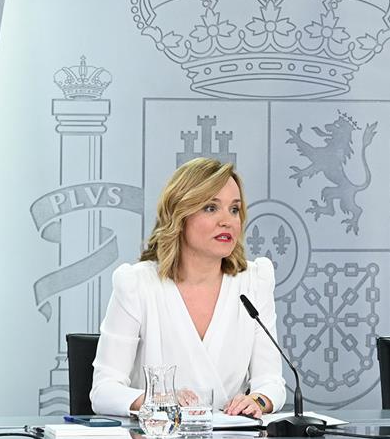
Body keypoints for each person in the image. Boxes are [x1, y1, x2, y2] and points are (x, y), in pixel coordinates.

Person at [89, 158, 287, 417]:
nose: (227, 221)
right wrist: (155, 399)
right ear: (179, 215)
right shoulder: (137, 285)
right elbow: (103, 391)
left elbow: (271, 382)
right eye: (210, 208)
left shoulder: (254, 281)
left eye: (234, 209)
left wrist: (259, 401)